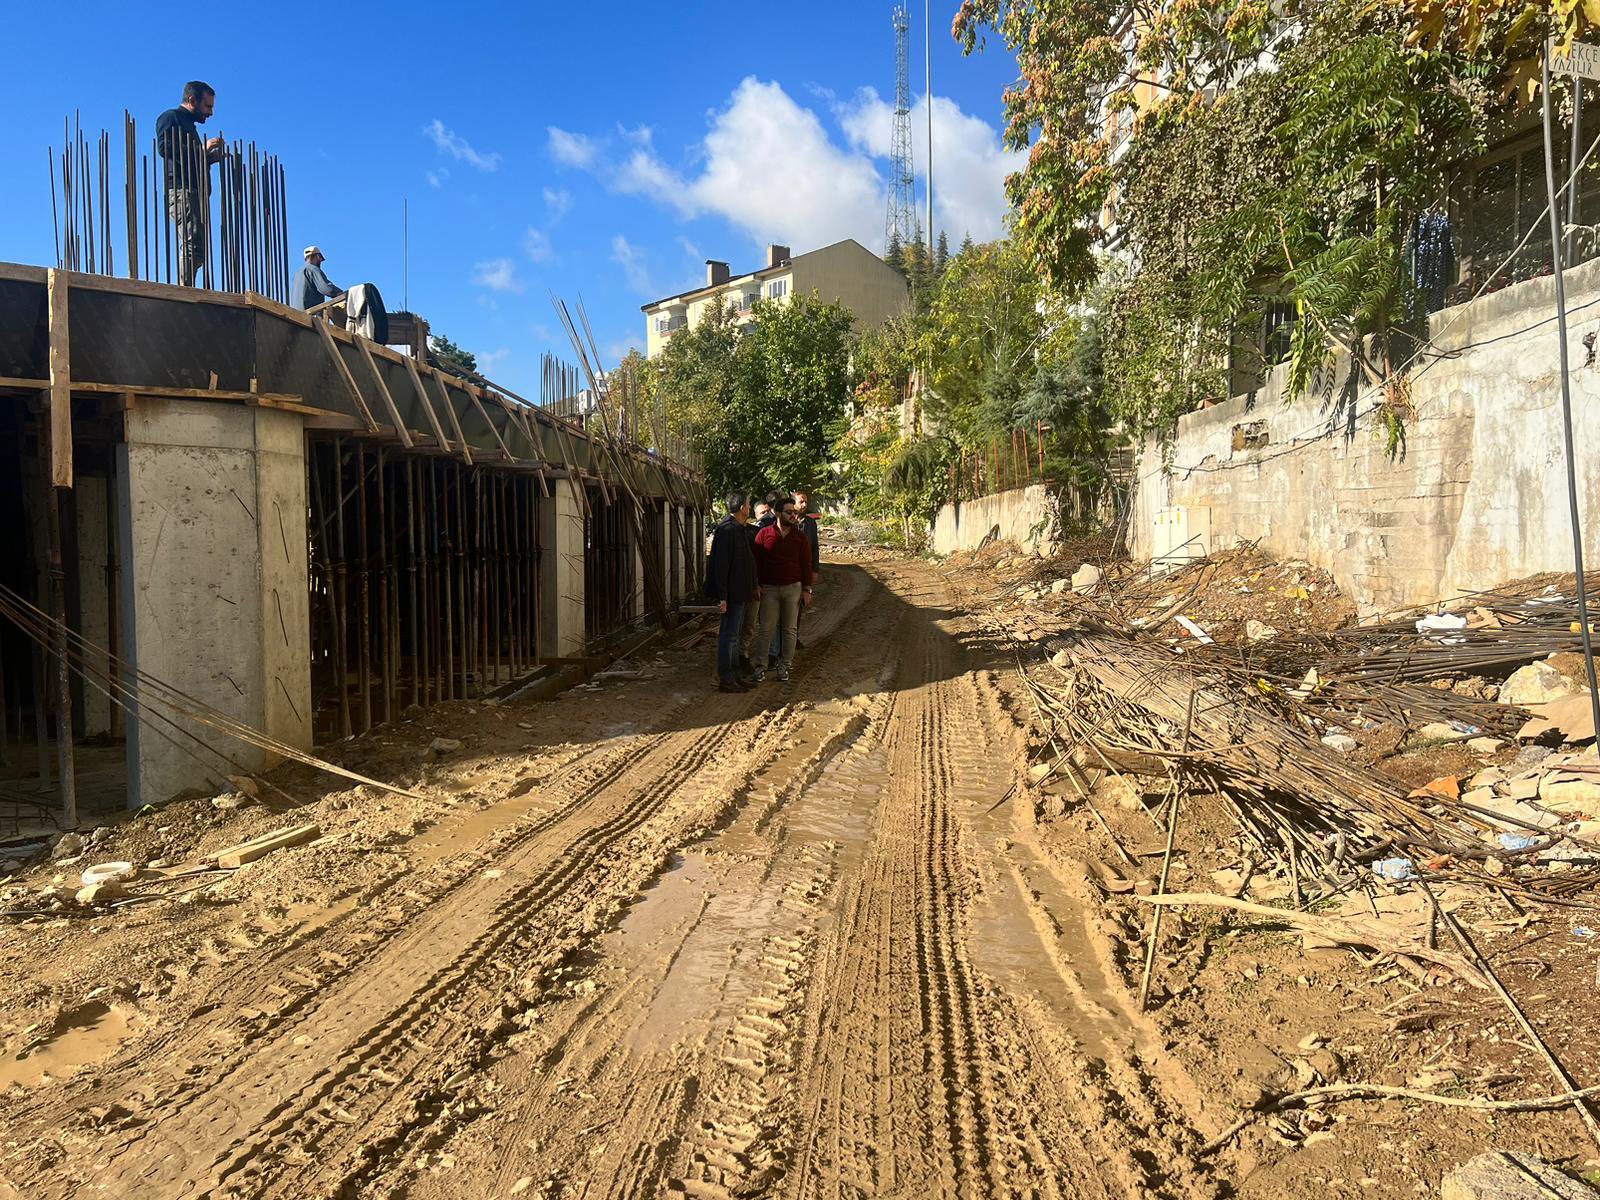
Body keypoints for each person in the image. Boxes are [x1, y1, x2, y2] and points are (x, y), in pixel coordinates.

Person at [155, 81, 225, 287]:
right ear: (192, 100)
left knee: (198, 248)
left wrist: (210, 158)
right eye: (208, 106)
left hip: (195, 191)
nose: (210, 113)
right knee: (192, 244)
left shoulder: (190, 127)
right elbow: (164, 148)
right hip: (181, 190)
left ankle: (187, 286)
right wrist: (202, 149)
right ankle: (185, 290)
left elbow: (189, 157)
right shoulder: (171, 118)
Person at [751, 496, 815, 684]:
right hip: (769, 589)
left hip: (793, 589)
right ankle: (761, 667)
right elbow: (755, 562)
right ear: (777, 513)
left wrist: (807, 589)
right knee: (766, 630)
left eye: (795, 512)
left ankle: (785, 666)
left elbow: (806, 564)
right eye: (789, 512)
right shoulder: (763, 535)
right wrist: (756, 585)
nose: (794, 516)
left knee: (789, 630)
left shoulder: (800, 538)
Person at [705, 490, 759, 693]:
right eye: (748, 503)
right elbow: (721, 566)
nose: (749, 506)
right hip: (732, 595)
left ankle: (735, 674)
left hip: (741, 593)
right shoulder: (727, 530)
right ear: (742, 507)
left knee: (735, 636)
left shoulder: (740, 529)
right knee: (729, 636)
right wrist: (722, 596)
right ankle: (726, 678)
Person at [792, 489, 822, 650]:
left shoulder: (810, 523)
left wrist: (815, 570)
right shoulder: (788, 522)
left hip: (804, 570)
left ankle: (794, 637)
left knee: (799, 605)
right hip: (789, 569)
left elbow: (815, 548)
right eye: (801, 501)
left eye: (805, 501)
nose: (804, 504)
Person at [293, 246, 345, 311]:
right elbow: (327, 289)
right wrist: (341, 294)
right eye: (320, 258)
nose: (321, 261)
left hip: (297, 313)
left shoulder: (296, 274)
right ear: (318, 256)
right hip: (311, 315)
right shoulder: (313, 269)